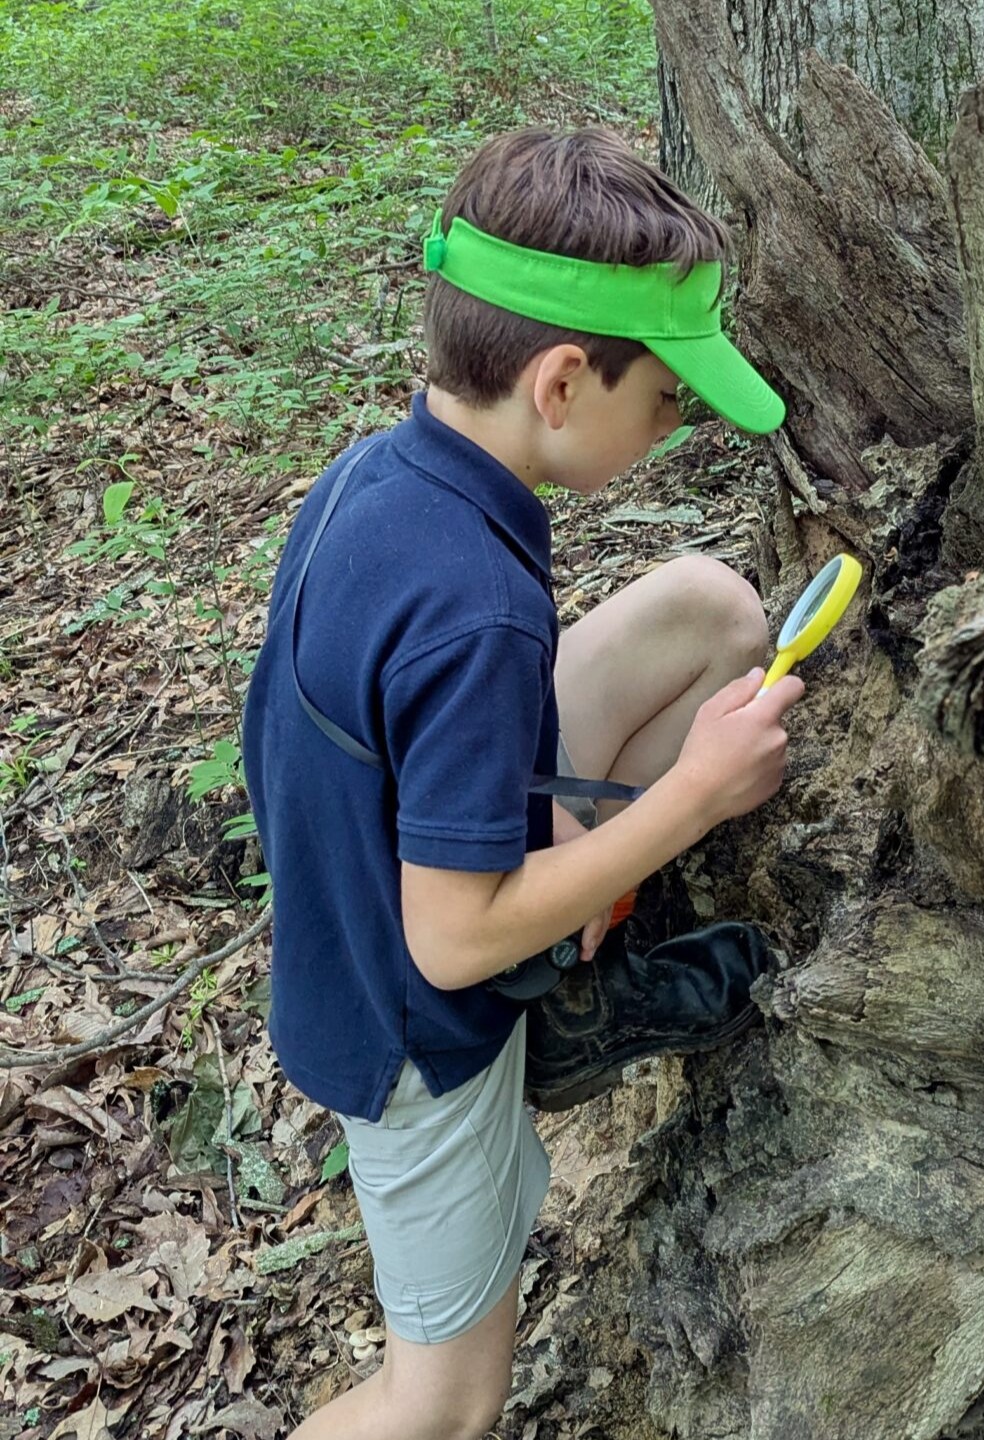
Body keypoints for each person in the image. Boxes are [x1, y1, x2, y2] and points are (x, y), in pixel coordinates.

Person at [240, 126, 804, 1440]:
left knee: (710, 611)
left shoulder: (385, 480)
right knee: (442, 1403)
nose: (677, 424)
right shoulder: (475, 611)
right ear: (561, 382)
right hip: (412, 1033)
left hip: (364, 887)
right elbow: (445, 943)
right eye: (667, 398)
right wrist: (694, 798)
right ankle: (539, 1002)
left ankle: (568, 972)